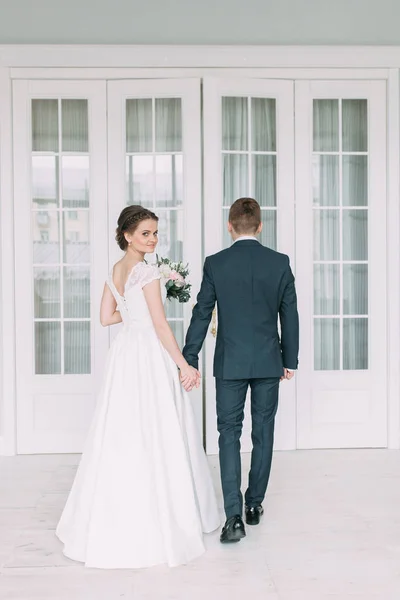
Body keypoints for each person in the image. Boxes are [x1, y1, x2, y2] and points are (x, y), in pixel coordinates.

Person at [56, 205, 220, 569]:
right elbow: (161, 326)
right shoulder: (146, 271)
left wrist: (131, 315)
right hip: (147, 353)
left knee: (123, 429)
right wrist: (184, 365)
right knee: (154, 428)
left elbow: (105, 317)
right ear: (127, 235)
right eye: (145, 233)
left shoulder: (116, 270)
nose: (153, 239)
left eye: (156, 233)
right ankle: (158, 515)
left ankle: (112, 512)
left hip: (126, 352)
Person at [183, 198, 299, 544]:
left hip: (230, 363)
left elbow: (202, 312)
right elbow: (288, 314)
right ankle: (254, 504)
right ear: (260, 226)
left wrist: (191, 356)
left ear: (229, 226)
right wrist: (289, 359)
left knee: (228, 434)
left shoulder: (217, 264)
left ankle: (233, 516)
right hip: (267, 361)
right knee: (263, 431)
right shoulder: (279, 263)